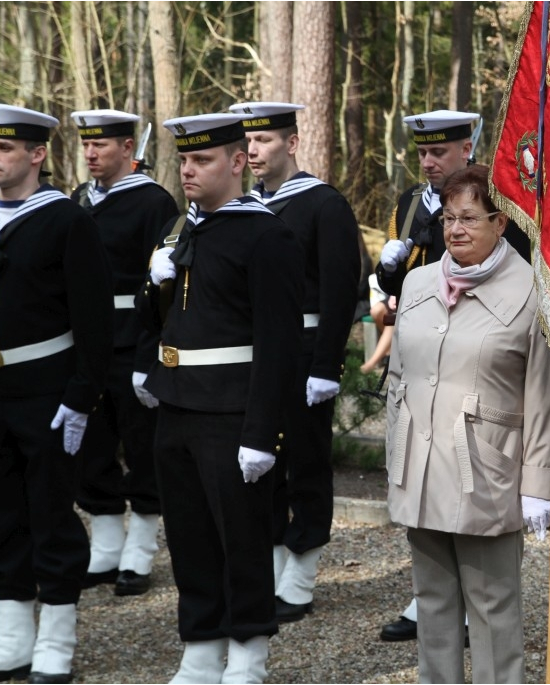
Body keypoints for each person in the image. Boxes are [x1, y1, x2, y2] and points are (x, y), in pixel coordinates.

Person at [137, 113, 304, 683]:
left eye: (202, 160)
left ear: (237, 162)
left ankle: (249, 655)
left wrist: (262, 433)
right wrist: (151, 289)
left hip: (232, 412)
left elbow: (279, 344)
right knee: (189, 537)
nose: (188, 170)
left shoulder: (266, 234)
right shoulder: (185, 229)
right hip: (178, 405)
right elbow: (167, 318)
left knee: (242, 539)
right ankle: (201, 651)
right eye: (183, 160)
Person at [383, 163, 550, 683]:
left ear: (500, 223)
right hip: (422, 465)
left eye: (470, 218)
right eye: (449, 218)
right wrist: (396, 455)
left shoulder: (534, 292)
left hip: (487, 471)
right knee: (432, 605)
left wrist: (538, 485)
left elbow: (543, 395)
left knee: (492, 607)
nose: (455, 230)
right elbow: (397, 376)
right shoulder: (415, 283)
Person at [0, 104, 113, 683]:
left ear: (36, 155)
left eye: (6, 148)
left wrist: (82, 394)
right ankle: (12, 635)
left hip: (45, 390)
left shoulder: (66, 220)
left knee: (50, 514)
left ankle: (56, 639)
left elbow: (93, 318)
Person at [228, 100, 362, 624]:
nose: (254, 151)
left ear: (293, 142)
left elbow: (338, 290)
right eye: (248, 143)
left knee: (305, 462)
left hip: (306, 355)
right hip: (258, 355)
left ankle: (301, 575)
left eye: (264, 141)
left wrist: (328, 365)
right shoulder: (244, 206)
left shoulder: (323, 204)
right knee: (264, 462)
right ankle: (276, 562)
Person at [70, 109, 179, 597]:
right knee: (91, 447)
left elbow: (159, 288)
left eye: (102, 145)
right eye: (87, 145)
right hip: (85, 343)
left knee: (140, 447)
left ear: (127, 149)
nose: (91, 153)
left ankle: (139, 551)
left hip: (132, 340)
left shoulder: (153, 202)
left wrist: (146, 356)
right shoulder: (78, 199)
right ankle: (107, 547)